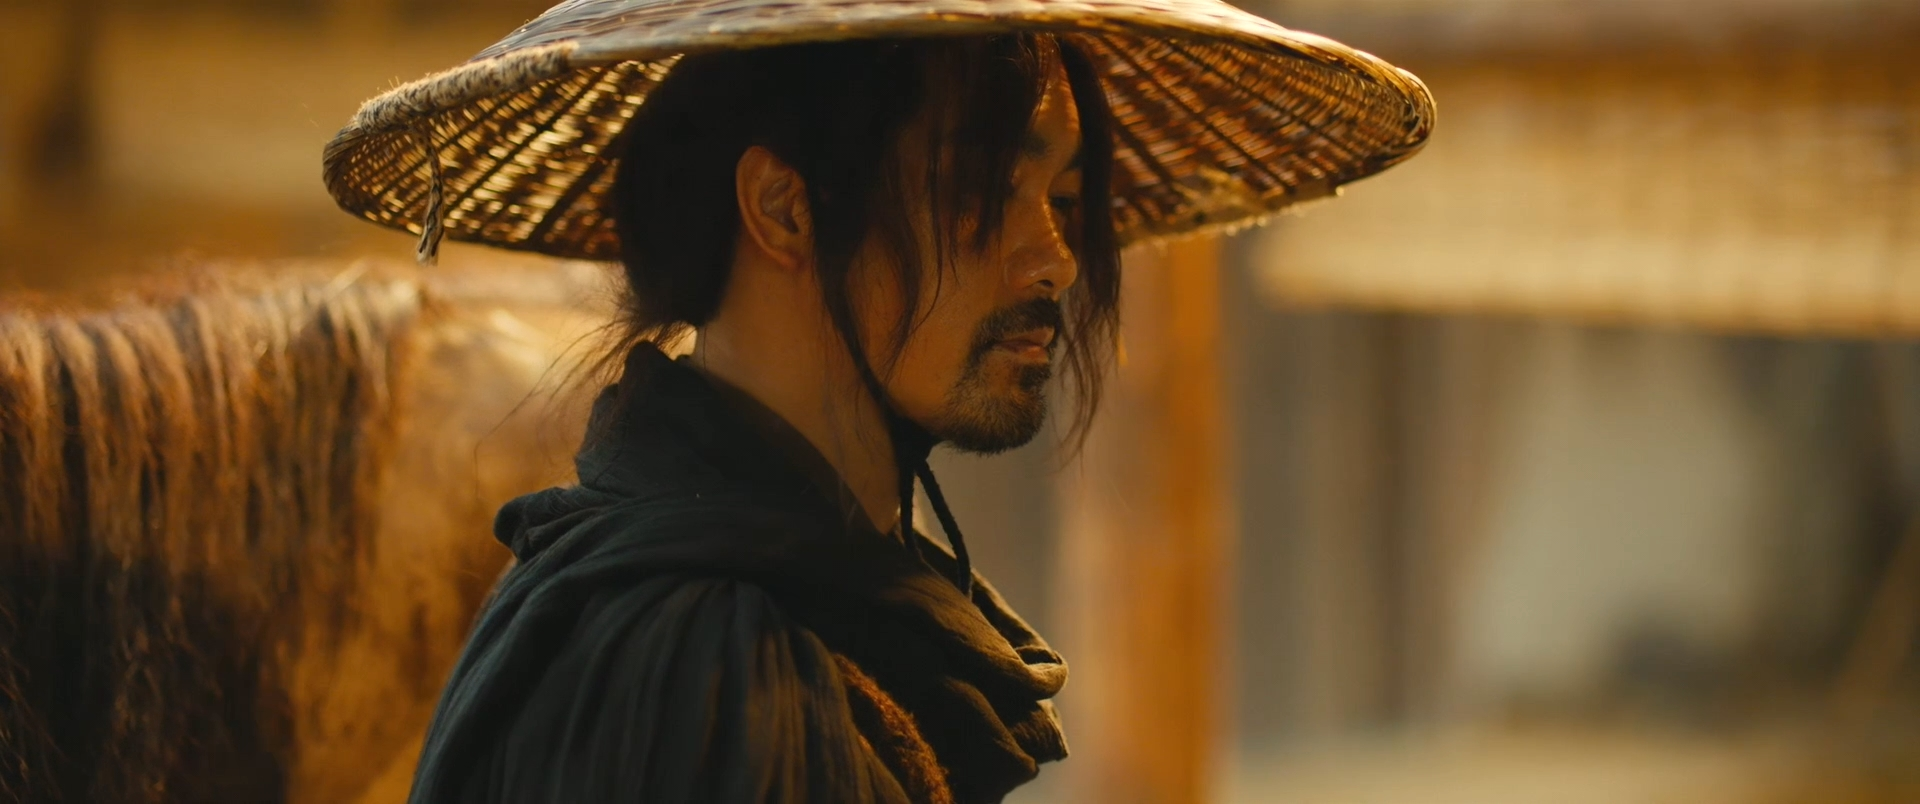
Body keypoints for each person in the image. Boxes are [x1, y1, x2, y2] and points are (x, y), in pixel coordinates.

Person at [321, 2, 1433, 802]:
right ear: (786, 210)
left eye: (1062, 195)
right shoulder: (698, 669)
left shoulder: (799, 604)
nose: (1055, 259)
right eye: (984, 188)